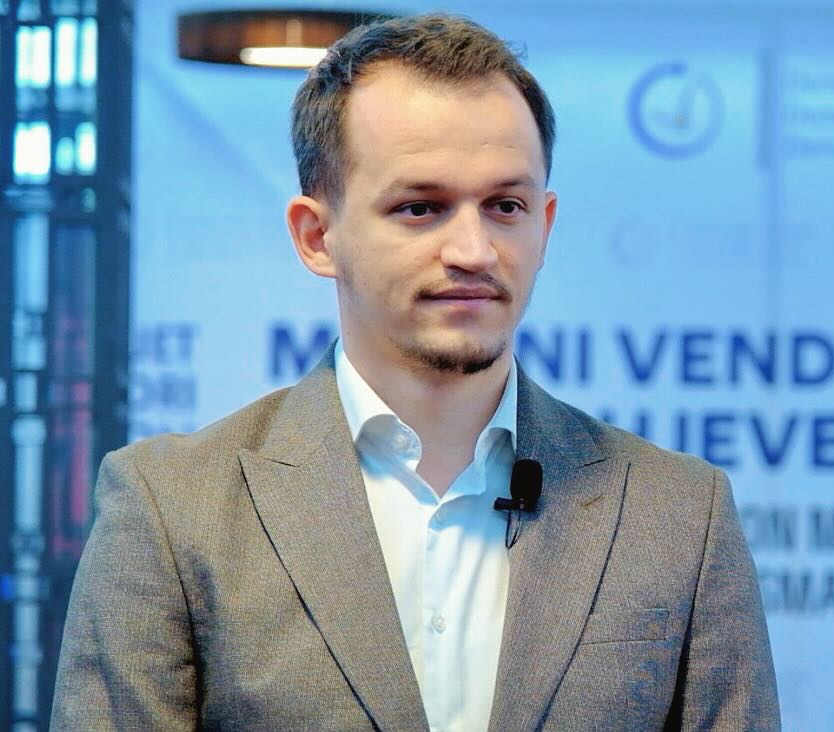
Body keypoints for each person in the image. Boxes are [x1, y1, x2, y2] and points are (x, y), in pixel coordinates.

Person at [52, 12, 779, 731]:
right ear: (317, 236)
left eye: (506, 206)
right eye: (421, 208)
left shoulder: (679, 516)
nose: (474, 251)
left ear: (545, 225)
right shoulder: (172, 509)